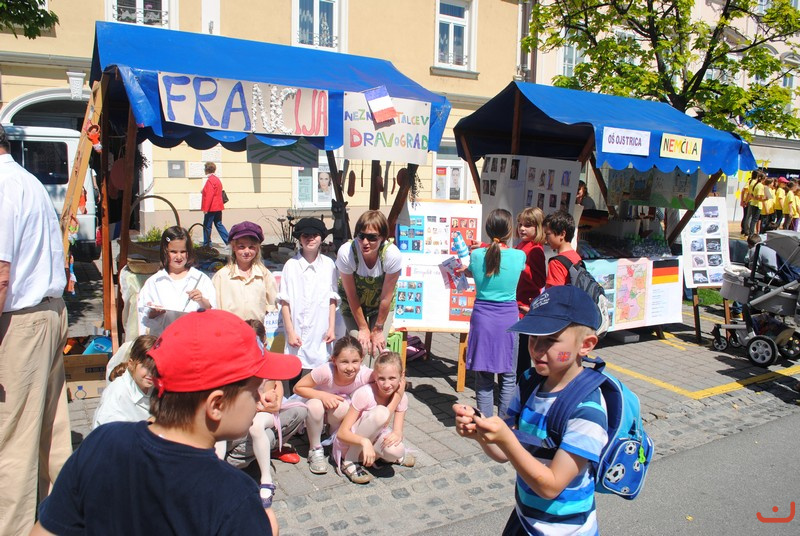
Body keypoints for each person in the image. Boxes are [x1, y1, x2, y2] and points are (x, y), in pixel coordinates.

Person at [32, 309, 302, 536]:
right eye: (254, 390)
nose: (260, 399)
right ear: (216, 405)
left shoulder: (101, 443)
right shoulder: (236, 498)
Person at [453, 285, 608, 535]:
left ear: (586, 345)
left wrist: (505, 438)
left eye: (551, 340)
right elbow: (504, 452)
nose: (536, 349)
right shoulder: (529, 383)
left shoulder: (587, 408)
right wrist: (480, 433)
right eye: (533, 338)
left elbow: (551, 486)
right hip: (525, 520)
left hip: (565, 530)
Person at [0, 124, 71, 536]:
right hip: (47, 312)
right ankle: (58, 522)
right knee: (50, 434)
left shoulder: (4, 186)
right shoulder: (27, 181)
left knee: (12, 441)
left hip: (22, 321)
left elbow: (1, 274)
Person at [220, 319, 307, 518]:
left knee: (294, 414)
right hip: (238, 426)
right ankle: (233, 468)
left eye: (257, 344)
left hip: (260, 417)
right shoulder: (232, 367)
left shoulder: (267, 362)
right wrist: (259, 404)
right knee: (257, 433)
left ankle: (265, 469)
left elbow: (271, 398)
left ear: (264, 342)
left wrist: (271, 401)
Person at [464, 209, 525, 418]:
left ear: (488, 230)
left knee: (483, 378)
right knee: (508, 376)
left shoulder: (476, 255)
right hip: (508, 318)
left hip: (482, 317)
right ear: (510, 230)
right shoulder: (519, 255)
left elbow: (480, 266)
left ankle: (484, 424)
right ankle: (505, 426)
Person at [293, 336, 375, 475]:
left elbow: (394, 380)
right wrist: (322, 395)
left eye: (355, 361)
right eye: (344, 362)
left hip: (336, 410)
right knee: (315, 405)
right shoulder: (325, 371)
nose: (350, 368)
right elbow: (298, 387)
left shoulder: (364, 374)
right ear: (334, 360)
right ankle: (315, 448)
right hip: (315, 407)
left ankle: (334, 441)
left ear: (361, 359)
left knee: (343, 406)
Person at [333, 352, 414, 484]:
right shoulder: (365, 393)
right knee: (381, 412)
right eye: (381, 378)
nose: (386, 384)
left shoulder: (401, 397)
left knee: (397, 450)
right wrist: (364, 442)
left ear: (402, 375)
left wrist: (397, 434)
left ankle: (376, 457)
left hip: (373, 441)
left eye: (392, 378)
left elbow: (398, 431)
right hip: (351, 443)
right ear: (375, 376)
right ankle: (349, 461)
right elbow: (342, 433)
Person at [336, 210, 402, 358]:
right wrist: (363, 328)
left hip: (380, 304)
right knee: (361, 348)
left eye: (372, 237)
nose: (365, 242)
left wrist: (378, 329)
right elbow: (351, 295)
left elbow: (386, 297)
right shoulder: (347, 252)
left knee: (376, 350)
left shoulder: (392, 255)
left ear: (383, 237)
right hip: (352, 303)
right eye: (361, 236)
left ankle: (375, 373)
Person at [279, 217, 339, 375]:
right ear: (299, 238)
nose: (310, 239)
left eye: (315, 235)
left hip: (320, 330)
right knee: (294, 373)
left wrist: (331, 328)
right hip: (297, 330)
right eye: (306, 235)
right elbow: (284, 302)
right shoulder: (291, 266)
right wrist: (290, 332)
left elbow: (332, 298)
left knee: (318, 375)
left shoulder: (329, 265)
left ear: (321, 238)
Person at [137, 226, 216, 337]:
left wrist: (201, 300)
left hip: (193, 340)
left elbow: (213, 312)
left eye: (183, 251)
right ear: (165, 251)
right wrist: (153, 313)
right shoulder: (154, 282)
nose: (179, 256)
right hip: (164, 340)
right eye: (173, 252)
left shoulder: (200, 279)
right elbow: (143, 319)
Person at [212, 221, 279, 323]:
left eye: (251, 247)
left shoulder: (264, 274)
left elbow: (273, 304)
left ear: (257, 249)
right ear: (234, 247)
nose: (247, 251)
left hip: (255, 330)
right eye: (241, 247)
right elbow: (214, 308)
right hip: (230, 329)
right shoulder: (222, 276)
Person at [93, 335, 157, 429]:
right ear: (131, 363)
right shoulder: (117, 394)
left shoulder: (154, 387)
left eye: (156, 367)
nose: (151, 373)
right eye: (146, 367)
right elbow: (108, 432)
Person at [515, 207, 547, 383]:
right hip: (517, 302)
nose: (522, 228)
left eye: (527, 225)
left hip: (525, 306)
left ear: (538, 227)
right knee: (518, 350)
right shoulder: (522, 245)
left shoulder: (536, 250)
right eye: (520, 224)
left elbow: (539, 281)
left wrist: (522, 267)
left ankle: (522, 386)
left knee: (522, 352)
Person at [544, 210, 581, 288]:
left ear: (562, 234)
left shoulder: (556, 263)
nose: (546, 239)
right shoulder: (576, 257)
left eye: (548, 234)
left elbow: (556, 292)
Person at [201, 161, 229, 247]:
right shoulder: (217, 179)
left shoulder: (210, 180)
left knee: (207, 226)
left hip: (211, 207)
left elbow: (209, 195)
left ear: (207, 170)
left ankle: (207, 244)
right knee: (219, 224)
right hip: (218, 206)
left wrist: (205, 209)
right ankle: (229, 241)